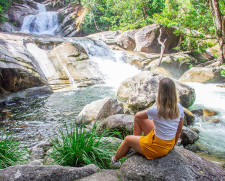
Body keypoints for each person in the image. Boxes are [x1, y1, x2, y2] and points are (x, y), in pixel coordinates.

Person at [111, 77, 184, 168]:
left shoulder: (156, 110)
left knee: (127, 139)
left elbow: (138, 114)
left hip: (156, 148)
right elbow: (178, 131)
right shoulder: (179, 108)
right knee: (139, 118)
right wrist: (172, 146)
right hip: (168, 144)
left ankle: (114, 160)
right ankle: (136, 144)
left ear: (160, 93)